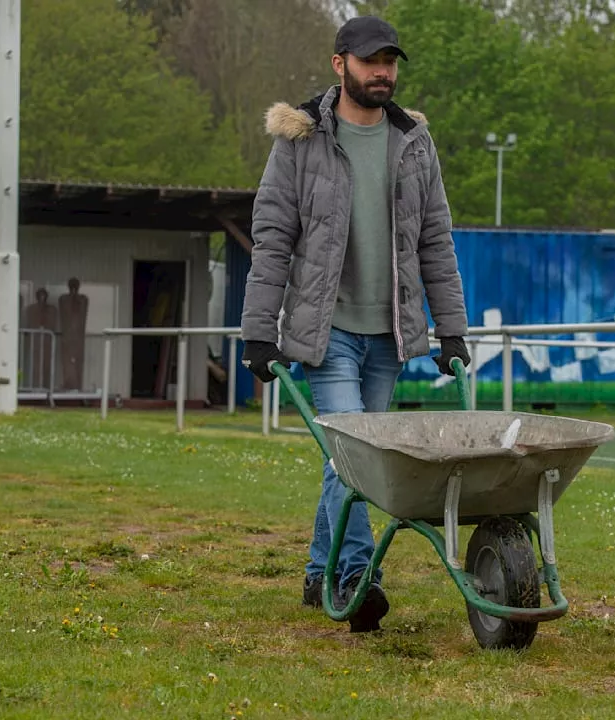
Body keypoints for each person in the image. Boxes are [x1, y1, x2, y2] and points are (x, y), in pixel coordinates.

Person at [239, 15, 471, 633]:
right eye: (371, 62)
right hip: (327, 334)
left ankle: (320, 571)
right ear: (340, 64)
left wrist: (451, 331)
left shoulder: (415, 144)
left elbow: (436, 244)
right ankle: (357, 577)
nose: (383, 73)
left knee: (346, 461)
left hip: (390, 336)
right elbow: (271, 239)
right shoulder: (300, 142)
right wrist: (258, 331)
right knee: (354, 462)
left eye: (390, 62)